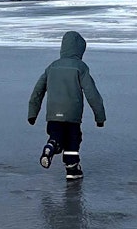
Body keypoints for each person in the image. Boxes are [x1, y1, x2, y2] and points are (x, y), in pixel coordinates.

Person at [28, 31, 106, 180]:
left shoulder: (52, 66)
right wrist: (99, 116)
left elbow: (38, 91)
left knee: (56, 135)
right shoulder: (80, 67)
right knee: (73, 139)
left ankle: (51, 146)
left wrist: (33, 112)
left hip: (53, 112)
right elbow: (92, 93)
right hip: (72, 114)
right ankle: (72, 169)